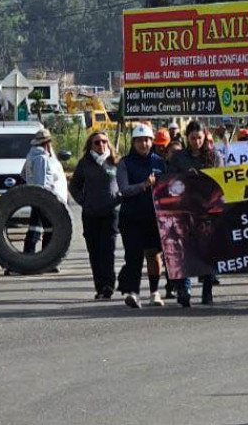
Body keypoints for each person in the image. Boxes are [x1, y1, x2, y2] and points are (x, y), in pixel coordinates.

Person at [168, 120, 224, 306]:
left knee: (208, 251)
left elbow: (221, 180)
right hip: (184, 209)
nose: (196, 142)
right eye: (192, 138)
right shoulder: (178, 158)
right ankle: (185, 289)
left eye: (199, 138)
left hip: (208, 210)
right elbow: (168, 181)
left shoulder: (214, 157)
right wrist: (185, 177)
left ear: (204, 137)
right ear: (187, 138)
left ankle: (207, 290)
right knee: (185, 249)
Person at [116, 124, 167, 309]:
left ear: (152, 141)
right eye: (139, 141)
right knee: (134, 256)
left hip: (154, 218)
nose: (143, 144)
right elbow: (124, 189)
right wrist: (144, 185)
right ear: (133, 142)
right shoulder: (125, 163)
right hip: (131, 218)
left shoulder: (159, 161)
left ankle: (154, 292)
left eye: (146, 140)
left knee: (154, 256)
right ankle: (133, 292)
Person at [69, 131, 121, 300]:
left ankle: (108, 285)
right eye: (97, 142)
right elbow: (74, 186)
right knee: (95, 252)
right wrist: (84, 201)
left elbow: (125, 184)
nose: (101, 145)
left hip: (110, 213)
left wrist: (119, 198)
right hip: (91, 214)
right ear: (90, 145)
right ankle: (99, 287)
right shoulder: (84, 163)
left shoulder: (115, 162)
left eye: (104, 142)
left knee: (108, 250)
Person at [21, 129, 69, 260]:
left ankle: (31, 257)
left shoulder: (31, 156)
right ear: (47, 143)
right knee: (47, 229)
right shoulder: (42, 159)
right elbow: (42, 182)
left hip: (36, 197)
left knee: (36, 228)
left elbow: (23, 175)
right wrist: (45, 198)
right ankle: (39, 259)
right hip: (43, 199)